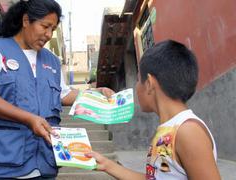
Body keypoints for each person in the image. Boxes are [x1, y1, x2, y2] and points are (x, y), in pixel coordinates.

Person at [0, 0, 114, 179]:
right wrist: (29, 119)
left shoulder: (52, 61)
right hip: (4, 160)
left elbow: (64, 94)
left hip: (44, 162)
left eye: (53, 30)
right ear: (26, 21)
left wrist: (96, 93)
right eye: (45, 26)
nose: (48, 35)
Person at [86, 40, 221, 180]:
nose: (137, 87)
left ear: (149, 83)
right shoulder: (169, 128)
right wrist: (108, 165)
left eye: (138, 80)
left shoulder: (188, 131)